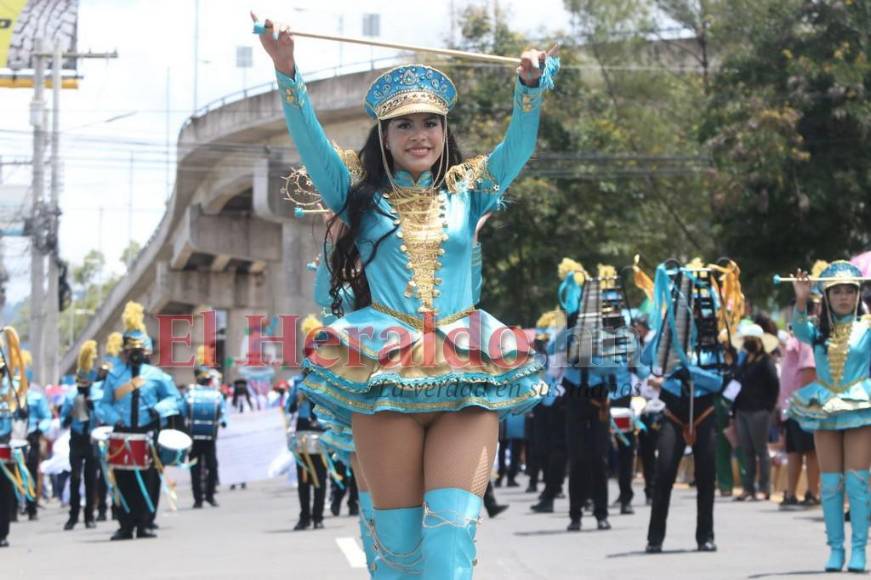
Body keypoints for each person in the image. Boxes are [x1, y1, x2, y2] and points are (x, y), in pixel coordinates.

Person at [254, 12, 557, 577]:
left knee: (448, 545)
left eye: (430, 123)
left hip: (468, 374)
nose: (419, 135)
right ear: (384, 138)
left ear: (444, 131)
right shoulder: (356, 197)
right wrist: (287, 72)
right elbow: (311, 140)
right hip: (385, 380)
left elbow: (518, 144)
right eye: (404, 126)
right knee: (395, 556)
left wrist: (529, 88)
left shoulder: (473, 190)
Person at [643, 260, 736, 554]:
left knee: (706, 475)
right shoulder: (669, 335)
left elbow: (719, 381)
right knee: (665, 470)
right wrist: (663, 328)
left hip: (705, 412)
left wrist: (692, 372)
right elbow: (649, 360)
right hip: (673, 411)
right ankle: (655, 537)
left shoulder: (714, 340)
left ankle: (705, 536)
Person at [788, 262, 870, 573]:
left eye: (850, 291)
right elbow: (797, 329)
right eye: (838, 291)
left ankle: (860, 549)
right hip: (824, 405)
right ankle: (836, 549)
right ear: (827, 295)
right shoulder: (815, 329)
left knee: (858, 481)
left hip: (860, 404)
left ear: (858, 294)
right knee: (831, 482)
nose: (844, 297)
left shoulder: (868, 327)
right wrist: (800, 298)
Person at [99, 302, 181, 540]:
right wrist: (115, 418)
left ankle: (145, 523)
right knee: (123, 480)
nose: (133, 354)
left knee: (149, 479)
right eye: (129, 350)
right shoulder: (114, 376)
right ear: (124, 352)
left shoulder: (157, 376)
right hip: (122, 433)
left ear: (146, 352)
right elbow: (104, 404)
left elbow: (174, 399)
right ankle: (125, 525)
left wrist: (159, 409)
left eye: (138, 350)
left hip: (148, 431)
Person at [731, 324, 779, 501]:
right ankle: (748, 487)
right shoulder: (744, 361)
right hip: (742, 409)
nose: (747, 343)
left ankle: (764, 487)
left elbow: (774, 385)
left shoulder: (766, 362)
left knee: (761, 450)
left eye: (750, 340)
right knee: (747, 450)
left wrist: (768, 407)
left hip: (759, 411)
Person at [778, 306, 820, 509]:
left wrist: (804, 403)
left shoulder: (805, 339)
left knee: (811, 451)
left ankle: (813, 492)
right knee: (793, 452)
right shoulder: (793, 339)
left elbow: (809, 371)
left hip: (802, 406)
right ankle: (791, 493)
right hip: (789, 407)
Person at [60, 340, 101, 530]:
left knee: (91, 479)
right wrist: (69, 415)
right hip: (76, 439)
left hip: (92, 439)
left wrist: (94, 408)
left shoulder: (97, 395)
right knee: (75, 478)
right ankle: (73, 515)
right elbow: (62, 422)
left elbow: (103, 417)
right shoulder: (69, 396)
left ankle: (89, 516)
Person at [184, 349, 227, 509]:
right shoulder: (190, 394)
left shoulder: (216, 395)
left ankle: (209, 495)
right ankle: (198, 498)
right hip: (194, 437)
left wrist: (223, 421)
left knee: (212, 466)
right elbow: (184, 410)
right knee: (195, 468)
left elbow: (222, 411)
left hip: (209, 437)